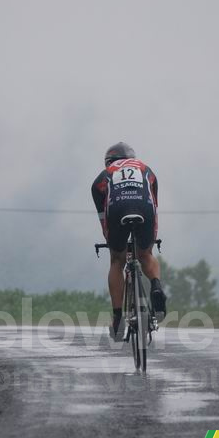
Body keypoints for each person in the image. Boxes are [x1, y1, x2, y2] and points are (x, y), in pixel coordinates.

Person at [92, 142, 166, 340]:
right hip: (145, 210)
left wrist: (111, 242)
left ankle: (118, 318)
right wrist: (148, 243)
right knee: (146, 254)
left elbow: (103, 216)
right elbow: (154, 205)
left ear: (109, 162)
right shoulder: (145, 168)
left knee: (117, 260)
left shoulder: (104, 175)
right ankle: (157, 287)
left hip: (117, 211)